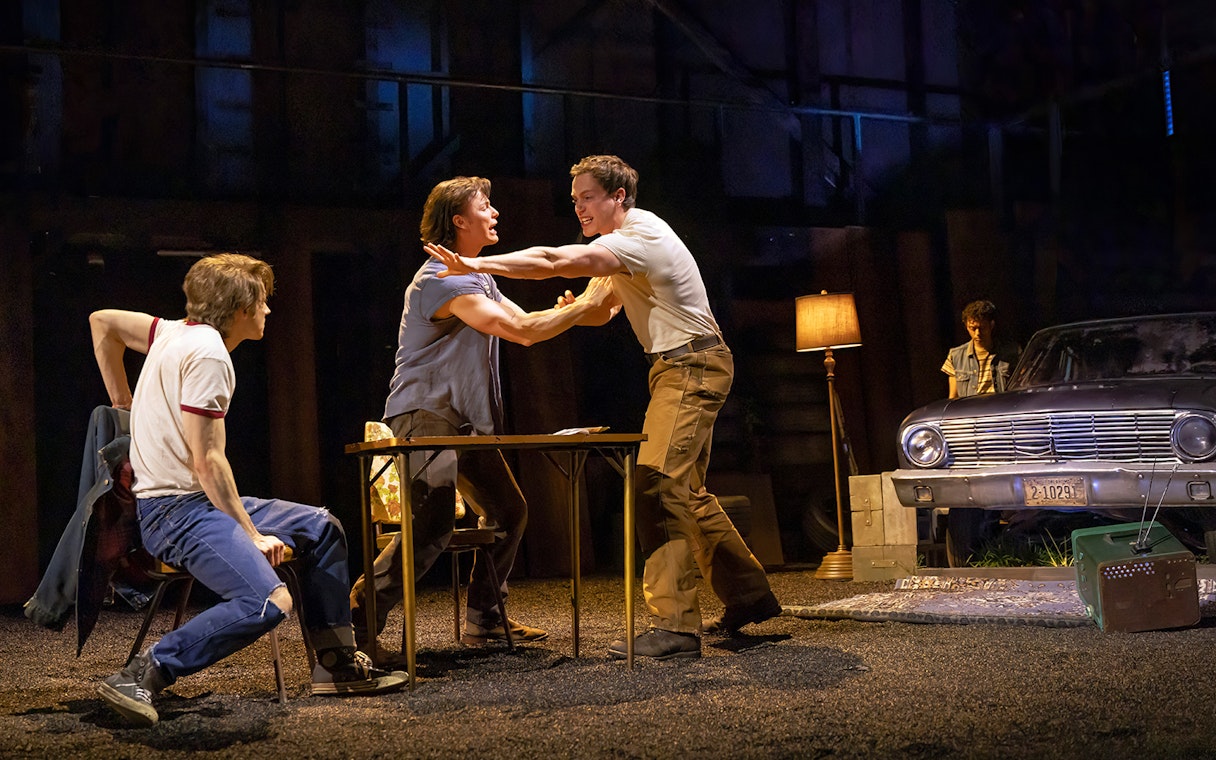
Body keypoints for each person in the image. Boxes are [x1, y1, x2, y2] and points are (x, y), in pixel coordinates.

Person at [425, 155, 781, 661]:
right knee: (686, 489)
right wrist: (569, 310)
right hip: (678, 366)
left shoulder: (641, 235)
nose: (579, 208)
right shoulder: (617, 249)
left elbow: (553, 261)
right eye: (574, 201)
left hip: (692, 366)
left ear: (619, 197)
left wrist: (477, 263)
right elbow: (598, 311)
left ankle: (676, 627)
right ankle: (748, 596)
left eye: (587, 197)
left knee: (656, 485)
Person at [90, 253, 405, 727]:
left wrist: (122, 404)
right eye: (262, 301)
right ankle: (143, 673)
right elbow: (208, 460)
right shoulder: (210, 354)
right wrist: (252, 534)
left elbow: (102, 323)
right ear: (239, 308)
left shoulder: (171, 331)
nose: (268, 310)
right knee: (268, 600)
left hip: (192, 501)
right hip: (175, 513)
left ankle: (335, 664)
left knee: (322, 527)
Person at [350, 176, 615, 656]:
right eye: (485, 205)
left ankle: (485, 619)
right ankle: (359, 622)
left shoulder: (478, 277)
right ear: (458, 220)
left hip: (462, 421)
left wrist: (574, 311)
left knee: (509, 511)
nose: (494, 213)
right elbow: (521, 331)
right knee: (432, 526)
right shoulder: (440, 279)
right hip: (424, 415)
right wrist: (583, 309)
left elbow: (529, 324)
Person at [942, 299, 1020, 399]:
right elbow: (953, 397)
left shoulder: (1012, 352)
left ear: (991, 325)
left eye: (982, 328)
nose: (977, 333)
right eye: (973, 328)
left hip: (1001, 410)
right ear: (966, 326)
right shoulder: (955, 355)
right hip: (971, 411)